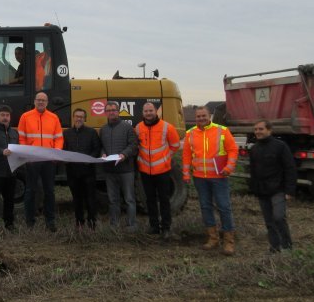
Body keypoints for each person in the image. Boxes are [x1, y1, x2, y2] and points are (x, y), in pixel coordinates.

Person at [182, 106, 239, 256]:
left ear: (209, 116)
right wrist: (186, 174)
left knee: (224, 207)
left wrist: (229, 167)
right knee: (205, 208)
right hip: (200, 178)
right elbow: (187, 155)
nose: (201, 118)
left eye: (203, 116)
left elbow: (233, 150)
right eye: (198, 116)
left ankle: (229, 242)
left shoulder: (222, 130)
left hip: (219, 177)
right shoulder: (190, 133)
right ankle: (213, 239)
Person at [17, 91, 63, 231]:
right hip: (32, 160)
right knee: (30, 190)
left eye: (44, 100)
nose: (41, 102)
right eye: (39, 100)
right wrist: (27, 155)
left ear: (47, 102)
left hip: (49, 160)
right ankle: (30, 221)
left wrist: (56, 153)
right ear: (35, 101)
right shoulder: (25, 116)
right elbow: (21, 138)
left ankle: (50, 221)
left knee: (50, 191)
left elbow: (59, 138)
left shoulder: (54, 117)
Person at [249, 119, 296, 253]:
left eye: (261, 129)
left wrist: (289, 190)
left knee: (279, 217)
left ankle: (287, 247)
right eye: (256, 129)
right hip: (262, 191)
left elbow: (290, 168)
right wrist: (254, 188)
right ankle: (274, 247)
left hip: (278, 189)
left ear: (269, 130)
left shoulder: (280, 146)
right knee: (269, 222)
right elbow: (253, 171)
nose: (258, 132)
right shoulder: (254, 149)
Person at [135, 102, 181, 239]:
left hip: (162, 170)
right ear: (142, 113)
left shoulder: (167, 127)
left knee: (164, 200)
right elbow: (136, 146)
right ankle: (154, 226)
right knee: (150, 200)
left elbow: (175, 145)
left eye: (151, 111)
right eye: (146, 111)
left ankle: (166, 227)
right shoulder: (138, 128)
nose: (148, 113)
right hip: (145, 171)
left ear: (156, 112)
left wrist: (166, 158)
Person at [99, 101, 139, 230]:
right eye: (109, 110)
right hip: (110, 170)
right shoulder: (103, 129)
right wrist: (103, 153)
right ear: (106, 112)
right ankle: (114, 224)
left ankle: (131, 225)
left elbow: (133, 145)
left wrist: (124, 155)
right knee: (113, 199)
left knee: (129, 199)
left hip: (126, 170)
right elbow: (101, 147)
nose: (111, 112)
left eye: (114, 110)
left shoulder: (127, 127)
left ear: (118, 111)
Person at [63, 108, 102, 230]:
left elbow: (97, 149)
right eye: (77, 116)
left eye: (81, 116)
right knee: (77, 198)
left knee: (90, 198)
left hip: (88, 171)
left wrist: (89, 159)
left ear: (85, 119)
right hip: (73, 172)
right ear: (73, 118)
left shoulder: (92, 132)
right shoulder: (67, 133)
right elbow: (63, 149)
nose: (79, 118)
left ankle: (92, 222)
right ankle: (79, 222)